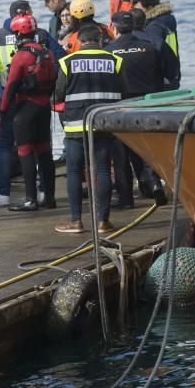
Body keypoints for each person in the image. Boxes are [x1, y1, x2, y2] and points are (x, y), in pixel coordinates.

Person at [0, 0, 66, 206]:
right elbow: (61, 60)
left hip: (19, 103)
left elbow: (8, 83)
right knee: (44, 150)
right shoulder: (44, 46)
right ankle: (48, 195)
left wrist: (0, 102)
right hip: (43, 104)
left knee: (20, 149)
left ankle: (20, 197)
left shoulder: (7, 44)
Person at [53, 21, 124, 234]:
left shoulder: (67, 62)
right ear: (100, 40)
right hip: (104, 123)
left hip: (76, 124)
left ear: (80, 42)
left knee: (74, 170)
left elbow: (59, 93)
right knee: (102, 169)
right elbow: (124, 89)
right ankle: (103, 221)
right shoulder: (115, 61)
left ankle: (76, 221)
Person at [106, 11, 168, 207]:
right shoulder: (149, 47)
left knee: (122, 151)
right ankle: (154, 181)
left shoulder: (108, 52)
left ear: (114, 28)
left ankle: (126, 199)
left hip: (121, 105)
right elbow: (169, 73)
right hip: (147, 102)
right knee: (148, 145)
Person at [0, 12, 58, 212]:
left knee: (25, 152)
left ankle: (30, 199)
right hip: (44, 108)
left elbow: (10, 87)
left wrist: (2, 111)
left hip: (26, 109)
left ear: (18, 33)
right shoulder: (47, 53)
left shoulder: (21, 56)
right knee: (44, 151)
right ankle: (49, 197)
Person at [132, 0, 181, 90]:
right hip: (173, 70)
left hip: (164, 76)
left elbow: (154, 54)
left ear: (150, 8)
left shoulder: (155, 26)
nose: (137, 13)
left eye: (139, 10)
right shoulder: (166, 18)